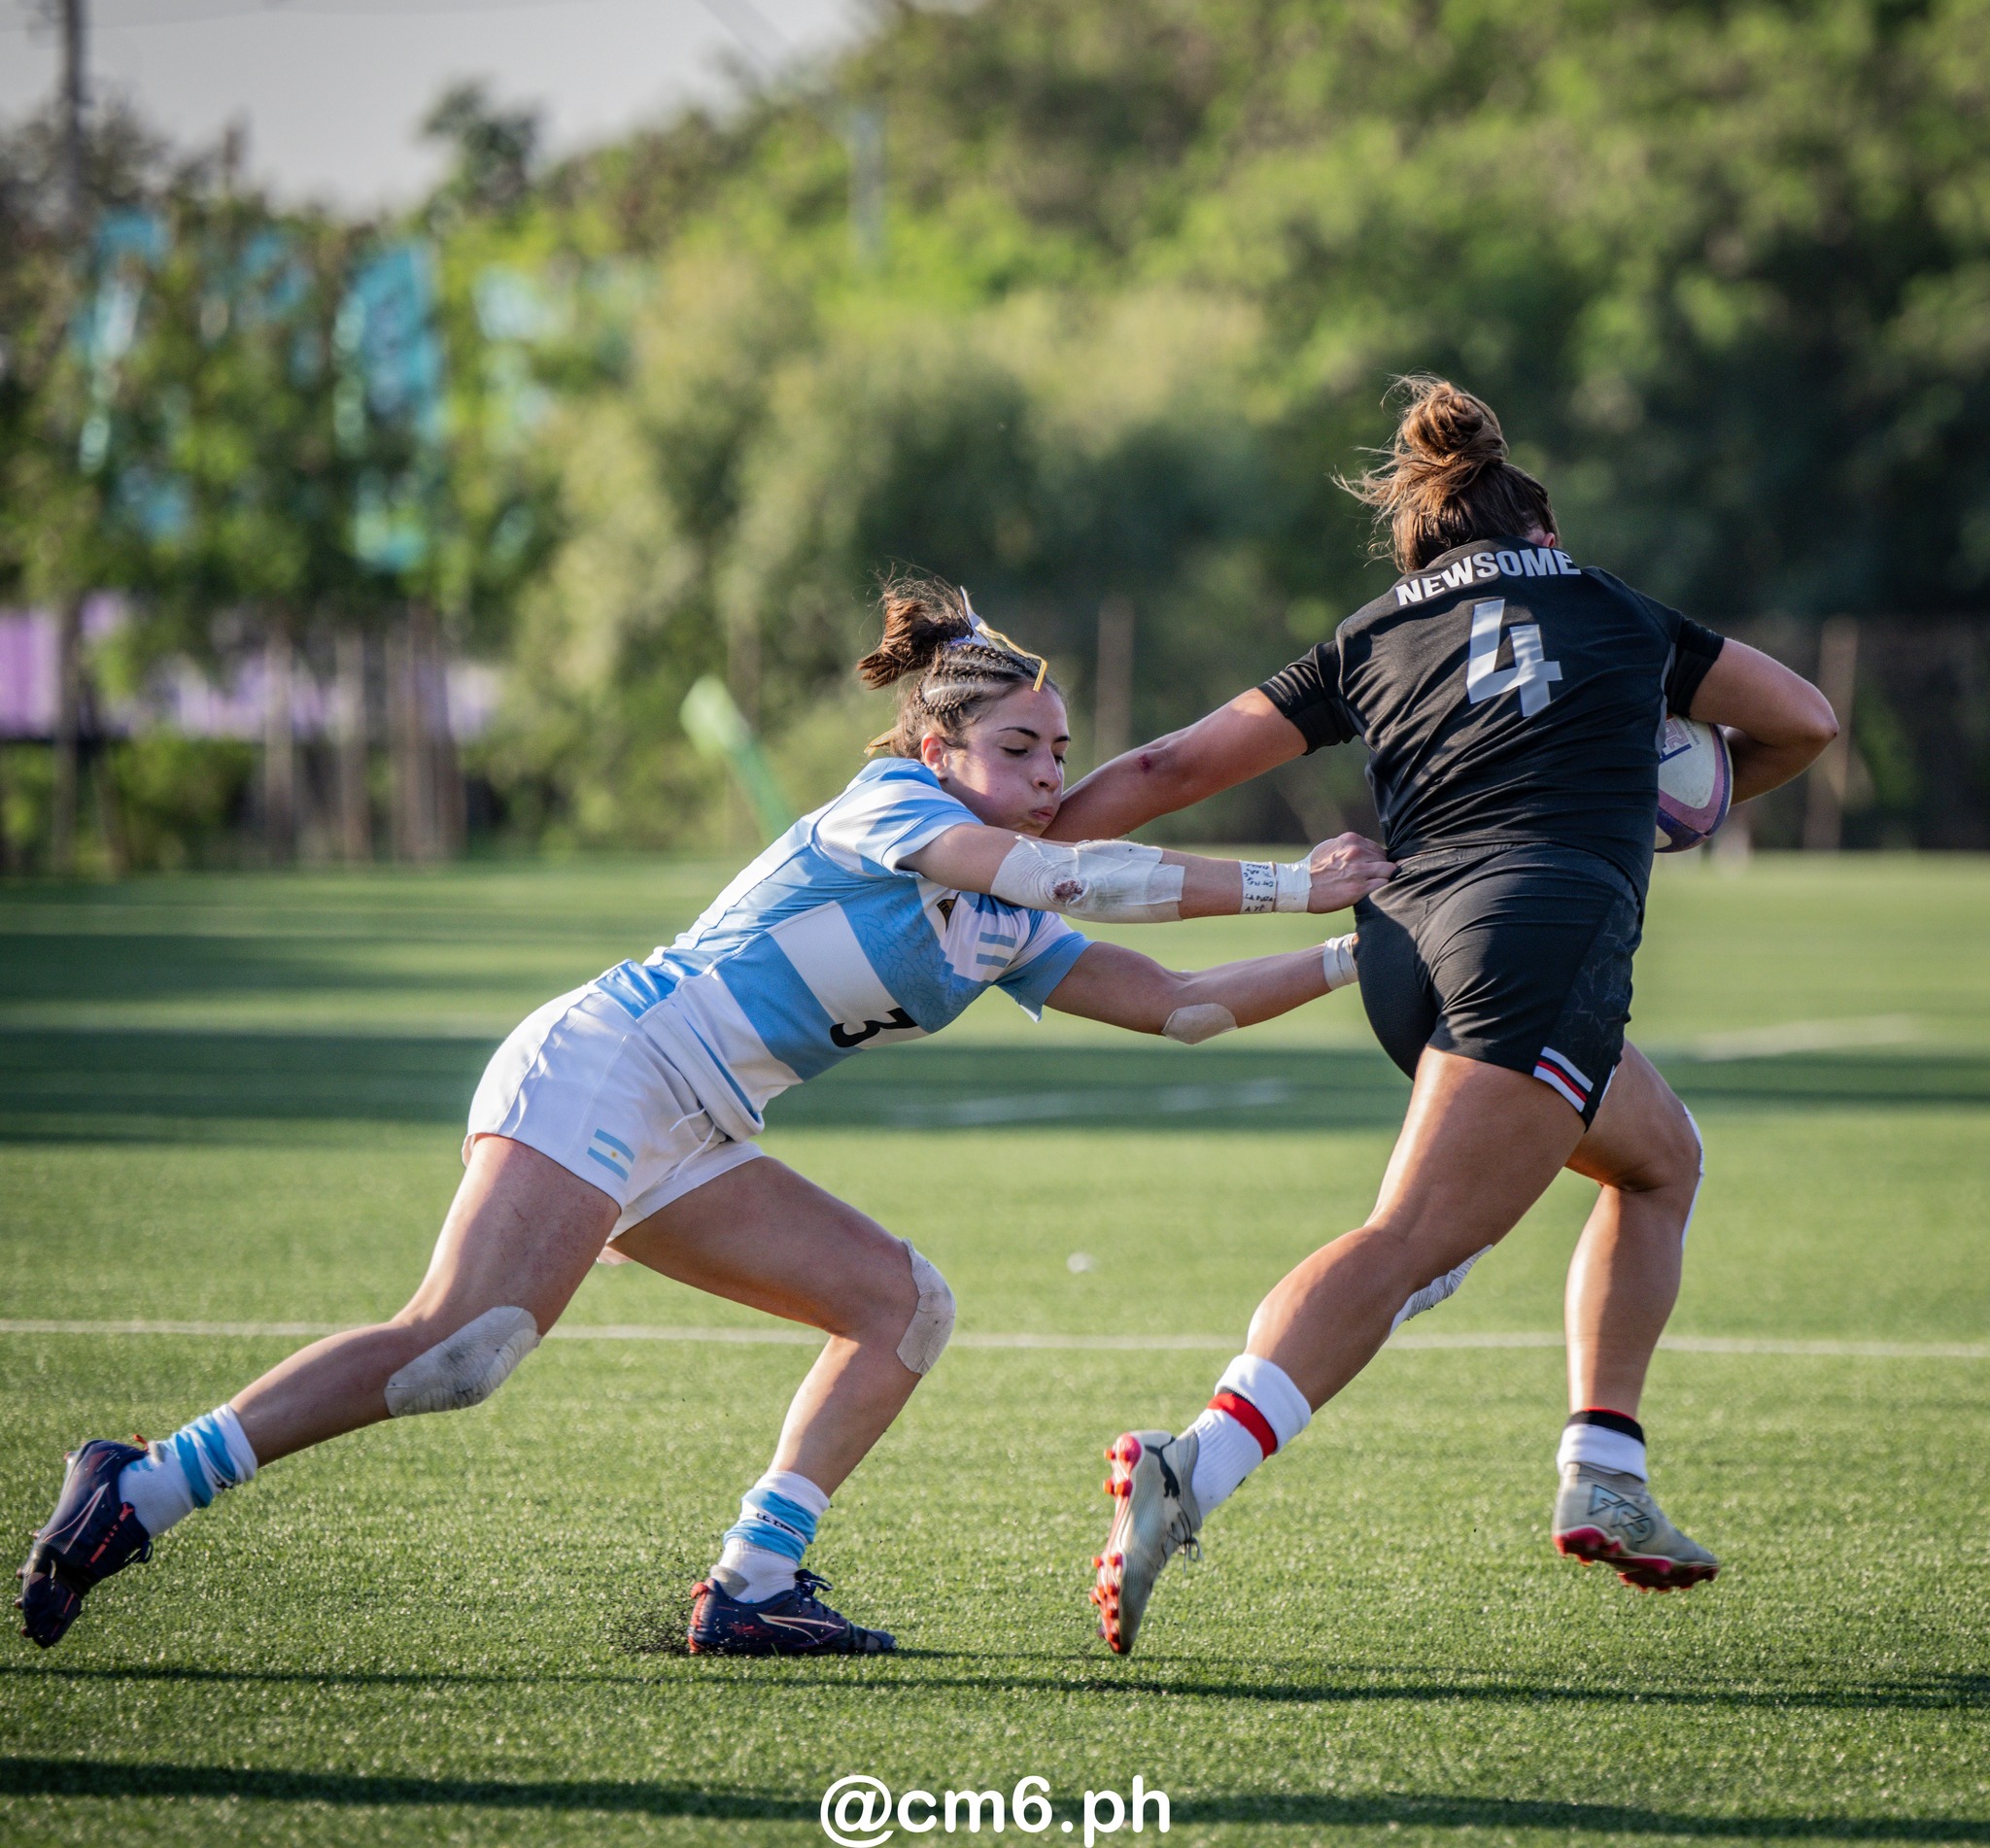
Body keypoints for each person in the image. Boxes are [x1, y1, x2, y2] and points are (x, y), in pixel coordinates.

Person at [18, 581, 1393, 1659]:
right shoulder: (894, 804)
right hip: (607, 1064)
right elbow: (1061, 872)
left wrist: (1361, 956)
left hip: (694, 1126)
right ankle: (142, 1483)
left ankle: (753, 1585)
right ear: (937, 748)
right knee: (459, 1349)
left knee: (901, 1306)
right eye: (1019, 747)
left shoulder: (1002, 918)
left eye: (1060, 753)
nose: (1049, 773)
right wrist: (1292, 883)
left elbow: (1180, 1007)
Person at [1049, 378, 1839, 1654]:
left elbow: (1166, 767)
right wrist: (1684, 795)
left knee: (1657, 1157)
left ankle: (1606, 1466)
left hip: (1401, 950)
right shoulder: (1616, 608)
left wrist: (1016, 843)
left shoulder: (1371, 634)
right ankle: (1193, 1464)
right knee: (1409, 1241)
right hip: (1537, 939)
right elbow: (1806, 718)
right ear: (1544, 535)